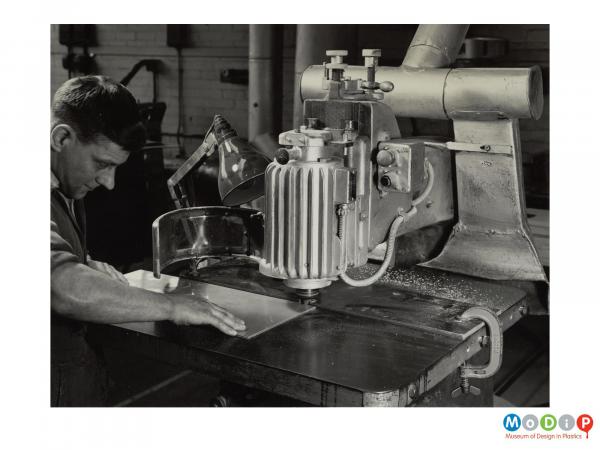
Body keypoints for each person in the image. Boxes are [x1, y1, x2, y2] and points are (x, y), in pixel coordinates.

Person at [51, 75, 246, 406]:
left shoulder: (64, 180)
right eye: (102, 164)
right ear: (61, 137)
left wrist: (82, 260)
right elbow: (60, 286)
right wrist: (173, 306)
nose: (108, 183)